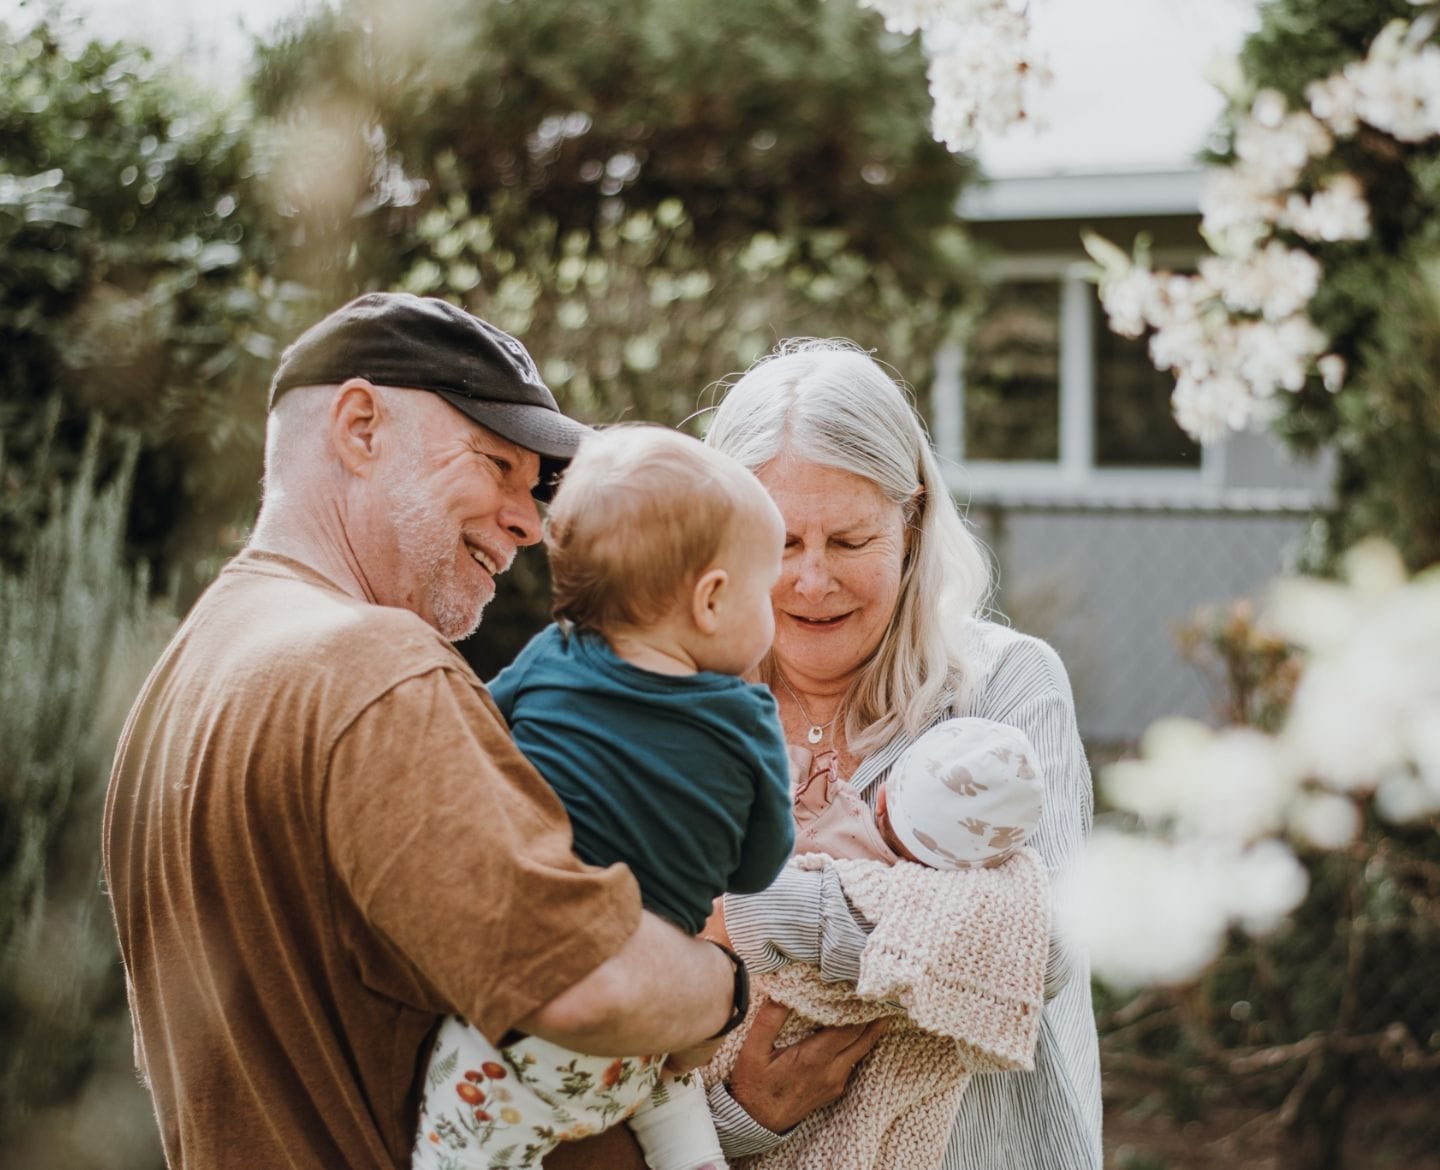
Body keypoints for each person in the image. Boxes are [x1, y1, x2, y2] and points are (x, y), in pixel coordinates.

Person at [101, 293, 747, 1170]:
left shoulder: (184, 678)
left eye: (539, 489)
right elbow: (588, 983)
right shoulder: (377, 667)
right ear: (361, 427)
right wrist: (723, 983)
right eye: (496, 465)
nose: (530, 523)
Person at [700, 339, 1104, 1170]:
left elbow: (1043, 949)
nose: (812, 581)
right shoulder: (680, 711)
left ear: (911, 524)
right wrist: (746, 1115)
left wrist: (752, 912)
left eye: (849, 541)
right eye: (778, 543)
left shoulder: (1003, 688)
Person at [413, 425, 796, 1170]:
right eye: (767, 591)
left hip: (515, 1053)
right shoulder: (750, 720)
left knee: (451, 1155)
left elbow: (477, 739)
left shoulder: (550, 658)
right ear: (712, 601)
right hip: (648, 1043)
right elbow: (759, 866)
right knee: (676, 1109)